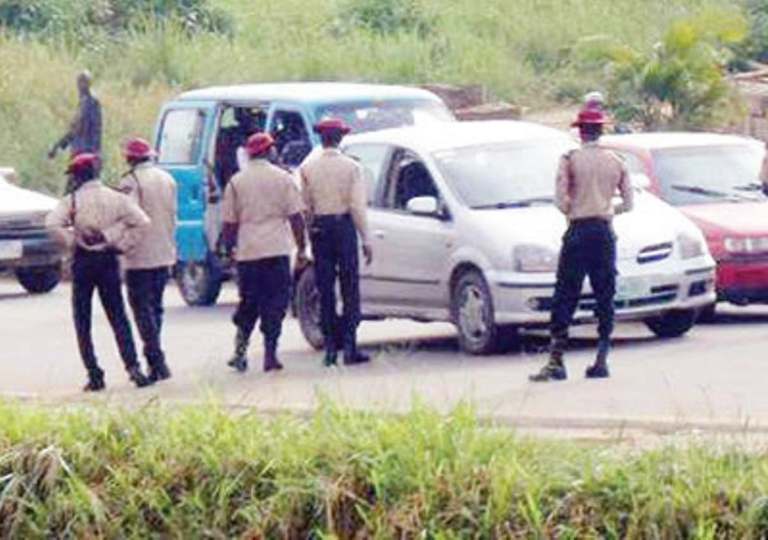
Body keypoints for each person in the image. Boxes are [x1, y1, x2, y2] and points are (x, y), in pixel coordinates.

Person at [530, 108, 634, 382]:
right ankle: (601, 359)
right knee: (605, 294)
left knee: (566, 293)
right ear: (601, 131)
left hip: (578, 230)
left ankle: (556, 360)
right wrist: (607, 209)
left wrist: (575, 208)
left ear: (580, 131)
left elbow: (560, 200)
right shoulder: (616, 161)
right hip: (603, 231)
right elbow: (629, 203)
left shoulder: (570, 159)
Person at [45, 153, 152, 391]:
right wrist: (120, 242)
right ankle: (134, 368)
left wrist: (73, 241)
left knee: (82, 319)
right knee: (118, 316)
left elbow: (52, 224)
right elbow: (143, 222)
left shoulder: (72, 200)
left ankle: (94, 373)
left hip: (83, 261)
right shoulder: (116, 198)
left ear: (77, 176)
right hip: (108, 260)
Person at [222, 133, 309, 373]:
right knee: (275, 303)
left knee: (249, 302)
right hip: (277, 249)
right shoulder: (283, 179)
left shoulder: (236, 182)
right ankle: (270, 354)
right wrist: (301, 248)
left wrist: (230, 250)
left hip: (248, 251)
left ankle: (240, 350)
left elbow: (229, 223)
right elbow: (296, 217)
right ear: (270, 152)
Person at [299, 118, 373, 367]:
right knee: (350, 287)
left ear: (321, 139)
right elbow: (357, 206)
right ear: (340, 139)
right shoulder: (351, 167)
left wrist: (310, 233)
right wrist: (366, 238)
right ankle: (350, 345)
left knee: (325, 289)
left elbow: (305, 206)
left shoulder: (308, 168)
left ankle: (331, 348)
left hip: (321, 228)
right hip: (344, 228)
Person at [119, 138, 177, 383]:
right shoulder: (167, 178)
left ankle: (156, 358)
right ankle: (156, 357)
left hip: (139, 254)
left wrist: (121, 245)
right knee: (155, 308)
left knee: (142, 310)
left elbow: (129, 216)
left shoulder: (131, 182)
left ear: (130, 158)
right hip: (163, 250)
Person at [48, 71, 102, 162]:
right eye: (79, 82)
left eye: (83, 82)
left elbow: (78, 127)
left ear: (88, 84)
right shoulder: (84, 101)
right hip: (84, 152)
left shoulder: (90, 102)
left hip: (85, 153)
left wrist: (59, 145)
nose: (80, 86)